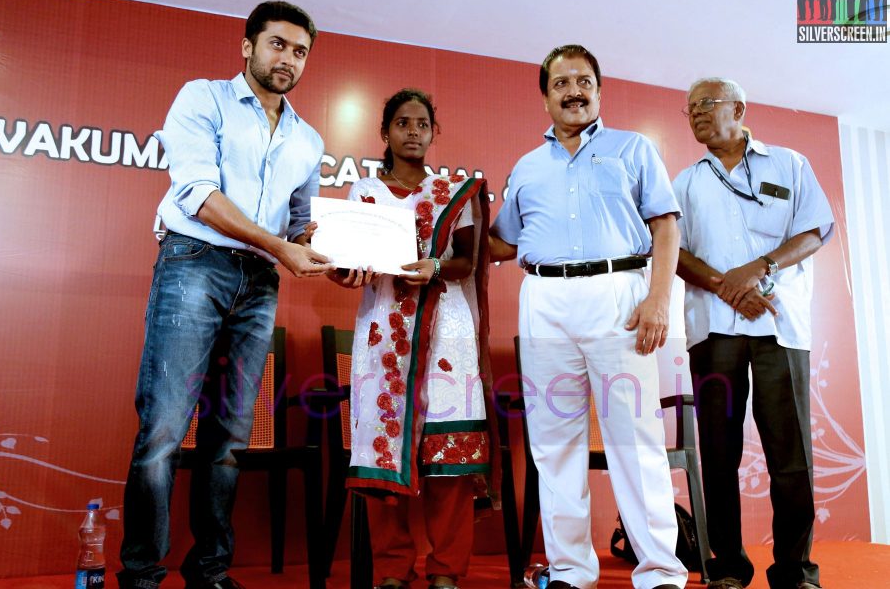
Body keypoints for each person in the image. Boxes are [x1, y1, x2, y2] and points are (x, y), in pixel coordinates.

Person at [117, 1, 332, 589]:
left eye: (300, 51)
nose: (288, 59)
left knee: (229, 438)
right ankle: (141, 576)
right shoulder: (202, 98)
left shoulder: (308, 140)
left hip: (259, 281)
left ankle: (209, 571)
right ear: (248, 46)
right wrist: (281, 246)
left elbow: (300, 224)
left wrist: (336, 256)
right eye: (278, 45)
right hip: (194, 264)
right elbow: (196, 193)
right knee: (163, 428)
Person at [489, 44, 688, 589]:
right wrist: (429, 239)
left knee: (634, 438)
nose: (573, 91)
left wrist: (658, 299)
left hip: (619, 298)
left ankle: (660, 572)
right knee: (553, 443)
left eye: (583, 81)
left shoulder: (634, 148)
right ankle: (571, 571)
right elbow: (502, 244)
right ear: (546, 95)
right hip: (545, 302)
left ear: (599, 90)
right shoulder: (526, 167)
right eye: (561, 83)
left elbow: (666, 227)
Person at [327, 88, 494, 589]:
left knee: (449, 454)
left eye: (423, 124)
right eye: (403, 123)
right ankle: (393, 570)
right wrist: (346, 271)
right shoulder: (364, 193)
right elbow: (349, 260)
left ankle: (446, 570)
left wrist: (437, 267)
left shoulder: (452, 192)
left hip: (448, 333)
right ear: (386, 133)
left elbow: (468, 260)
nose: (414, 132)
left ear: (433, 132)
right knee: (383, 449)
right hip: (383, 333)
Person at [673, 77, 834, 589]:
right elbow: (672, 253)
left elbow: (813, 230)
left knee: (791, 455)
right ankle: (728, 568)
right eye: (690, 108)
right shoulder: (685, 182)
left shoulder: (789, 163)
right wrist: (728, 285)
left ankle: (795, 569)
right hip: (713, 331)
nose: (697, 113)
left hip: (779, 327)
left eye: (707, 104)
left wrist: (761, 266)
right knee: (718, 453)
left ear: (738, 108)